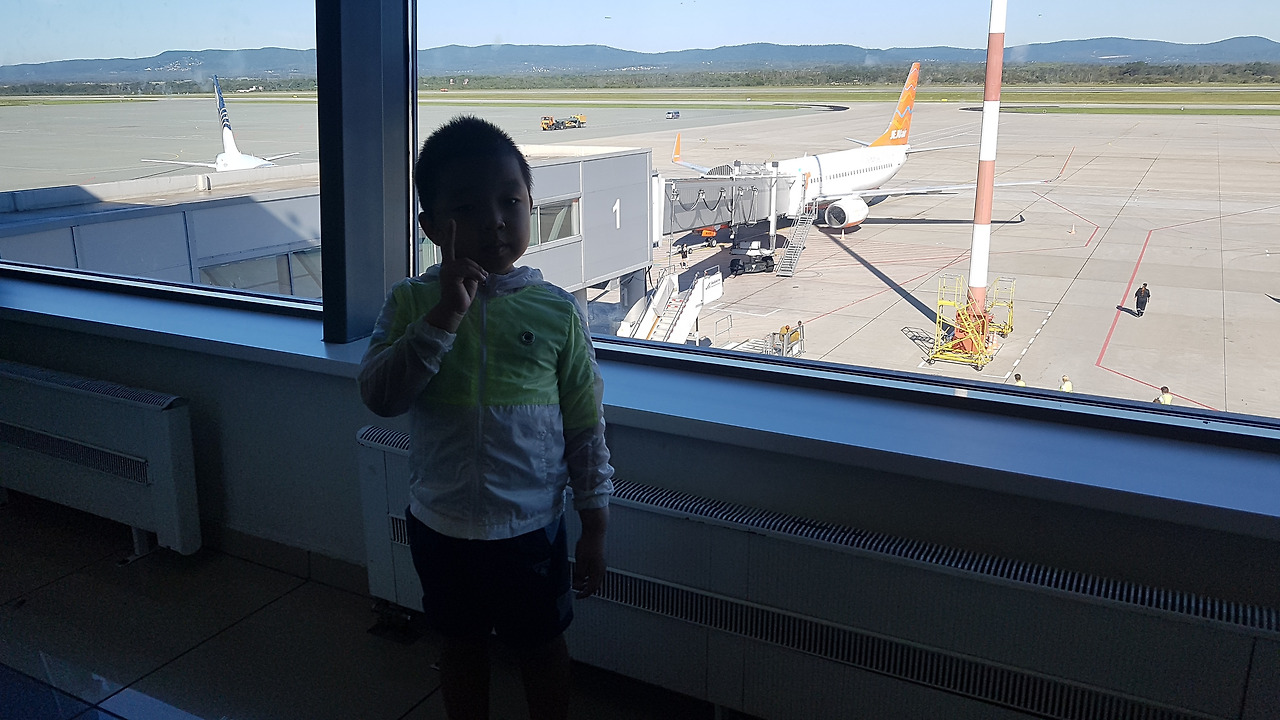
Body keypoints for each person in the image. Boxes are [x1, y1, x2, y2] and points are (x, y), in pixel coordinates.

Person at [357, 116, 614, 720]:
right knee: (460, 648)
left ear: (531, 207)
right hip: (441, 526)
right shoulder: (412, 302)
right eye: (467, 207)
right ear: (431, 227)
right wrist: (445, 315)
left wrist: (594, 524)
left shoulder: (557, 312)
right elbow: (380, 396)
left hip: (530, 527)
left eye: (509, 202)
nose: (494, 220)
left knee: (542, 648)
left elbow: (584, 425)